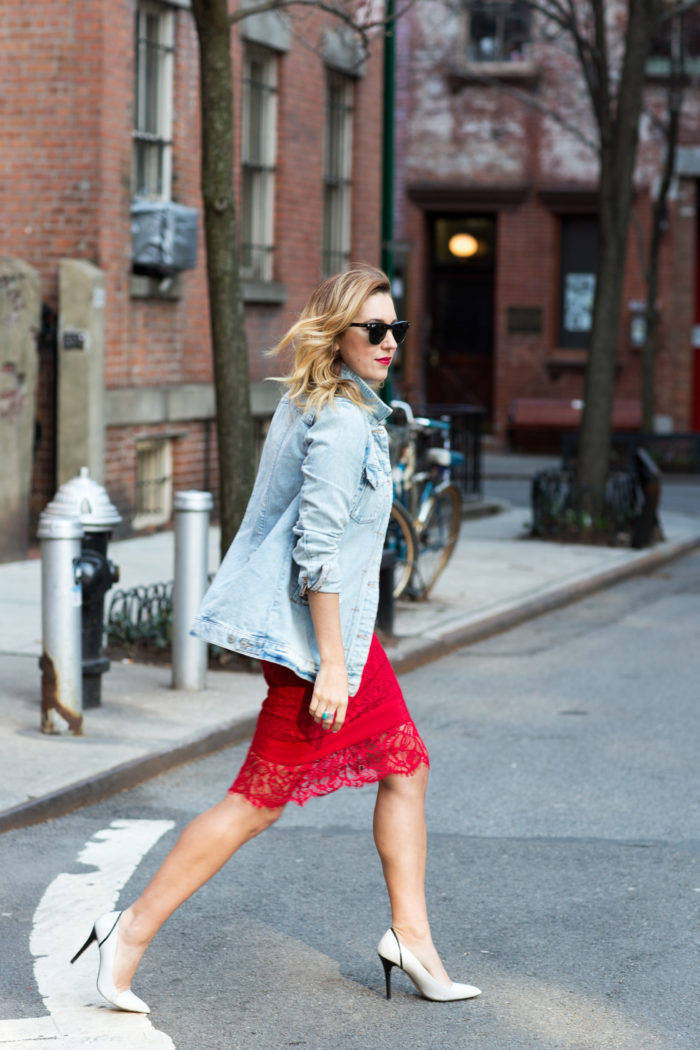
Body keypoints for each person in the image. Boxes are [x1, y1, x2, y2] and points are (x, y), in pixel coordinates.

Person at [70, 264, 481, 1010]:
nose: (389, 342)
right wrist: (329, 664)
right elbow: (316, 556)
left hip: (335, 639)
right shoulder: (341, 423)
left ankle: (412, 940)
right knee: (258, 800)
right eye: (374, 329)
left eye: (397, 328)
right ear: (338, 334)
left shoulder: (323, 402)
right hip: (314, 644)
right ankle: (126, 931)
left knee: (406, 764)